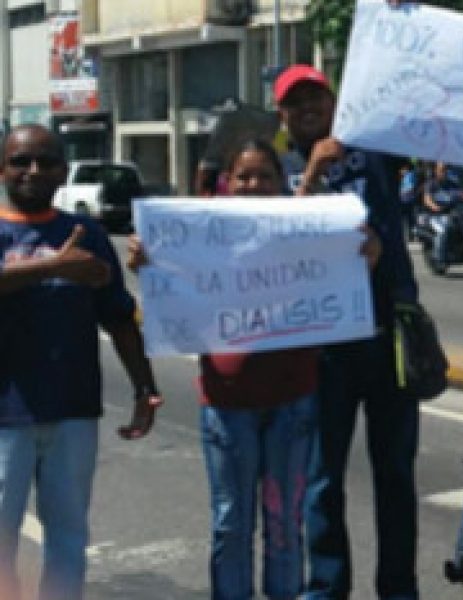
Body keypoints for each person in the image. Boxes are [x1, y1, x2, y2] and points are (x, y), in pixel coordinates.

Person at [126, 140, 380, 600]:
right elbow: (169, 292)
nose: (254, 184)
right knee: (231, 524)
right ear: (227, 182)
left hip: (293, 400)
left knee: (285, 525)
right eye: (244, 175)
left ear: (280, 182)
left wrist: (364, 247)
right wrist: (147, 262)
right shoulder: (199, 232)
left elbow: (359, 259)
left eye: (264, 175)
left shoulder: (307, 230)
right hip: (227, 403)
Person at [270, 63, 422, 600]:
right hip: (321, 348)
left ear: (336, 103)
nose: (309, 107)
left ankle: (399, 590)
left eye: (318, 97)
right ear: (282, 113)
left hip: (386, 339)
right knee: (321, 480)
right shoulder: (274, 166)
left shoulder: (373, 147)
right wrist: (311, 176)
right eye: (296, 101)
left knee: (396, 477)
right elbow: (271, 242)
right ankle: (327, 589)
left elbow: (409, 99)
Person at [0, 124, 162, 599]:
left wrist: (143, 387)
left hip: (73, 411)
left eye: (47, 161)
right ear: (2, 168)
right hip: (5, 418)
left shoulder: (85, 232)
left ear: (63, 170)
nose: (34, 170)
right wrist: (52, 267)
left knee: (68, 537)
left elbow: (118, 318)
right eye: (21, 161)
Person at [399, 161, 421, 241]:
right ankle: (408, 237)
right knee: (406, 220)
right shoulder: (404, 176)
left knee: (409, 220)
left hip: (408, 201)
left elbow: (410, 188)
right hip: (404, 201)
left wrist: (400, 193)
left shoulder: (409, 175)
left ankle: (410, 237)